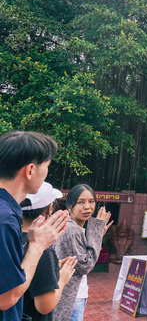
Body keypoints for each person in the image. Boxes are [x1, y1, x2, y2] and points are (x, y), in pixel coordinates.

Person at [0, 131, 69, 321]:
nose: (46, 173)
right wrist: (37, 246)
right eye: (46, 166)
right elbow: (6, 297)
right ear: (30, 170)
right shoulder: (5, 219)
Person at [51, 185, 111, 321]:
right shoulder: (72, 230)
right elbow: (85, 265)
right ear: (69, 207)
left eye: (91, 201)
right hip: (72, 297)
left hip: (74, 294)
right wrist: (96, 233)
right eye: (80, 202)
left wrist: (97, 236)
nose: (87, 207)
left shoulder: (76, 228)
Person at [20, 182, 77, 321]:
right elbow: (44, 306)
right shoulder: (41, 248)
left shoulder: (9, 237)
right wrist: (62, 279)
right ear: (49, 210)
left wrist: (53, 269)